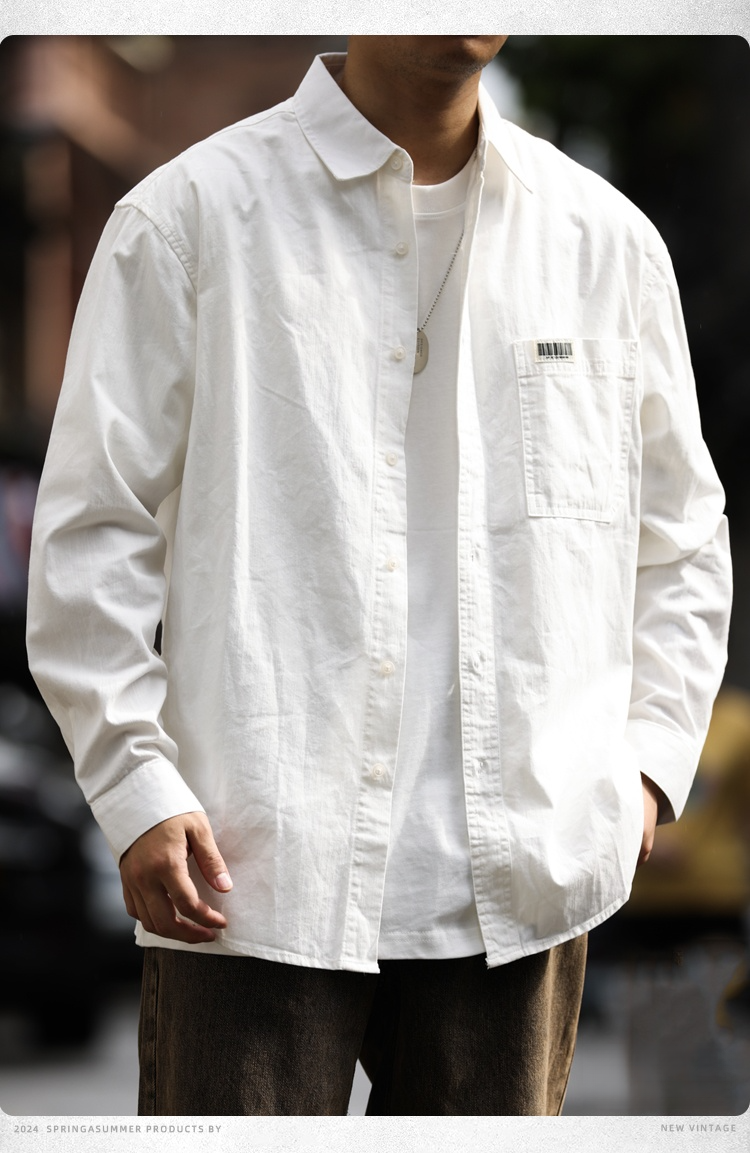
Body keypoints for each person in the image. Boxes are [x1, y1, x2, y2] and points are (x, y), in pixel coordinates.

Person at [26, 36, 732, 1116]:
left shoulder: (605, 244)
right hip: (249, 871)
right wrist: (136, 785)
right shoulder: (189, 218)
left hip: (522, 879)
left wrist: (644, 765)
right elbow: (92, 530)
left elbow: (681, 534)